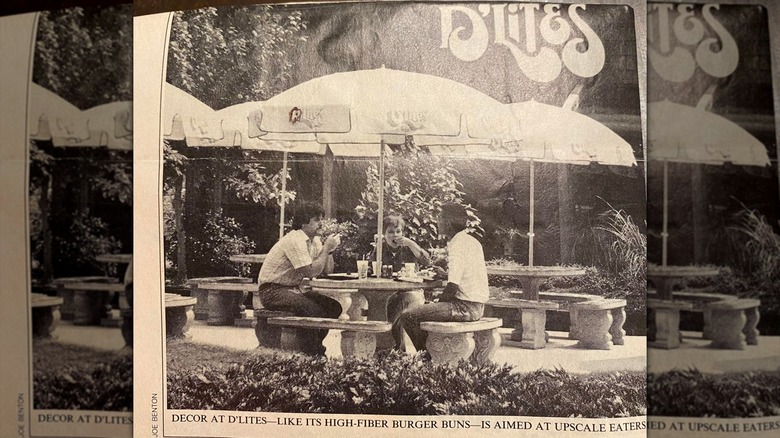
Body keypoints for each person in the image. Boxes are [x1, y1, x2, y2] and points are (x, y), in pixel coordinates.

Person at [400, 203, 489, 354]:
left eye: (440, 218)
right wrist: (444, 275)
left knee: (408, 316)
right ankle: (432, 353)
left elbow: (452, 287)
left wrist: (437, 303)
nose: (438, 221)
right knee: (424, 310)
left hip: (464, 308)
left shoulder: (457, 244)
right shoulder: (471, 241)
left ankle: (428, 356)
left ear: (448, 222)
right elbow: (465, 276)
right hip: (478, 306)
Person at [257, 202, 343, 356]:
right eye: (316, 220)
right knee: (313, 310)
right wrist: (326, 249)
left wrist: (329, 251)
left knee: (334, 307)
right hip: (271, 290)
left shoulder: (314, 241)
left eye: (321, 219)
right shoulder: (295, 239)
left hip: (294, 289)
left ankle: (313, 347)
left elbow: (327, 270)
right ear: (304, 222)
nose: (321, 224)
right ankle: (311, 353)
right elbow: (310, 272)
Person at [368, 213, 431, 351]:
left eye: (398, 231)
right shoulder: (380, 249)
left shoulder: (408, 247)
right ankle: (398, 352)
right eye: (390, 232)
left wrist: (411, 243)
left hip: (412, 293)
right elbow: (370, 268)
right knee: (387, 305)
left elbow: (427, 261)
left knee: (396, 306)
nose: (395, 235)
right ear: (384, 234)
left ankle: (385, 346)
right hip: (390, 293)